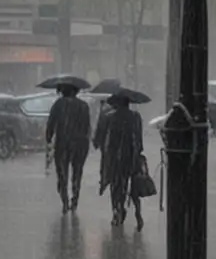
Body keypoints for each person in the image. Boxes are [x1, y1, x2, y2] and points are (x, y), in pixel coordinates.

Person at [95, 90, 146, 228]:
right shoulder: (136, 117)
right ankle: (138, 213)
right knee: (134, 185)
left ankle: (117, 210)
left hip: (114, 158)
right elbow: (139, 140)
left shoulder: (109, 117)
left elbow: (101, 138)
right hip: (131, 157)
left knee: (115, 185)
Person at [45, 82, 93, 212]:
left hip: (63, 144)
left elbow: (51, 124)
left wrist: (48, 138)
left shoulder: (58, 105)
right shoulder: (84, 106)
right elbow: (87, 126)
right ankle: (75, 197)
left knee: (62, 173)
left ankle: (65, 200)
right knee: (77, 172)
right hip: (80, 144)